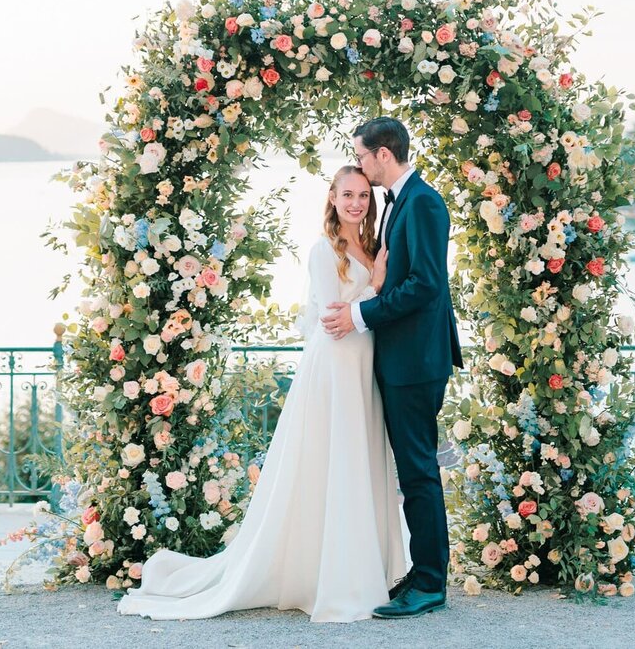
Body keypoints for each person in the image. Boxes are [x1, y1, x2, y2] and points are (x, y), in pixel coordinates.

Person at [117, 166, 406, 623]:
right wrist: (376, 283)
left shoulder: (370, 246)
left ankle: (362, 565)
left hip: (363, 364)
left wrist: (377, 277)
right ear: (332, 199)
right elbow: (334, 316)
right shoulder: (321, 251)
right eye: (347, 195)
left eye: (363, 197)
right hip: (334, 364)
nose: (356, 203)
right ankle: (329, 576)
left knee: (358, 461)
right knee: (332, 462)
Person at [321, 116, 464, 619]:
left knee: (419, 472)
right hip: (406, 358)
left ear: (384, 154)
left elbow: (425, 284)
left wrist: (360, 313)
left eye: (361, 155)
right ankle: (424, 571)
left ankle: (430, 584)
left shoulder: (421, 202)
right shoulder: (405, 201)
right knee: (413, 470)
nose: (359, 164)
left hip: (416, 361)